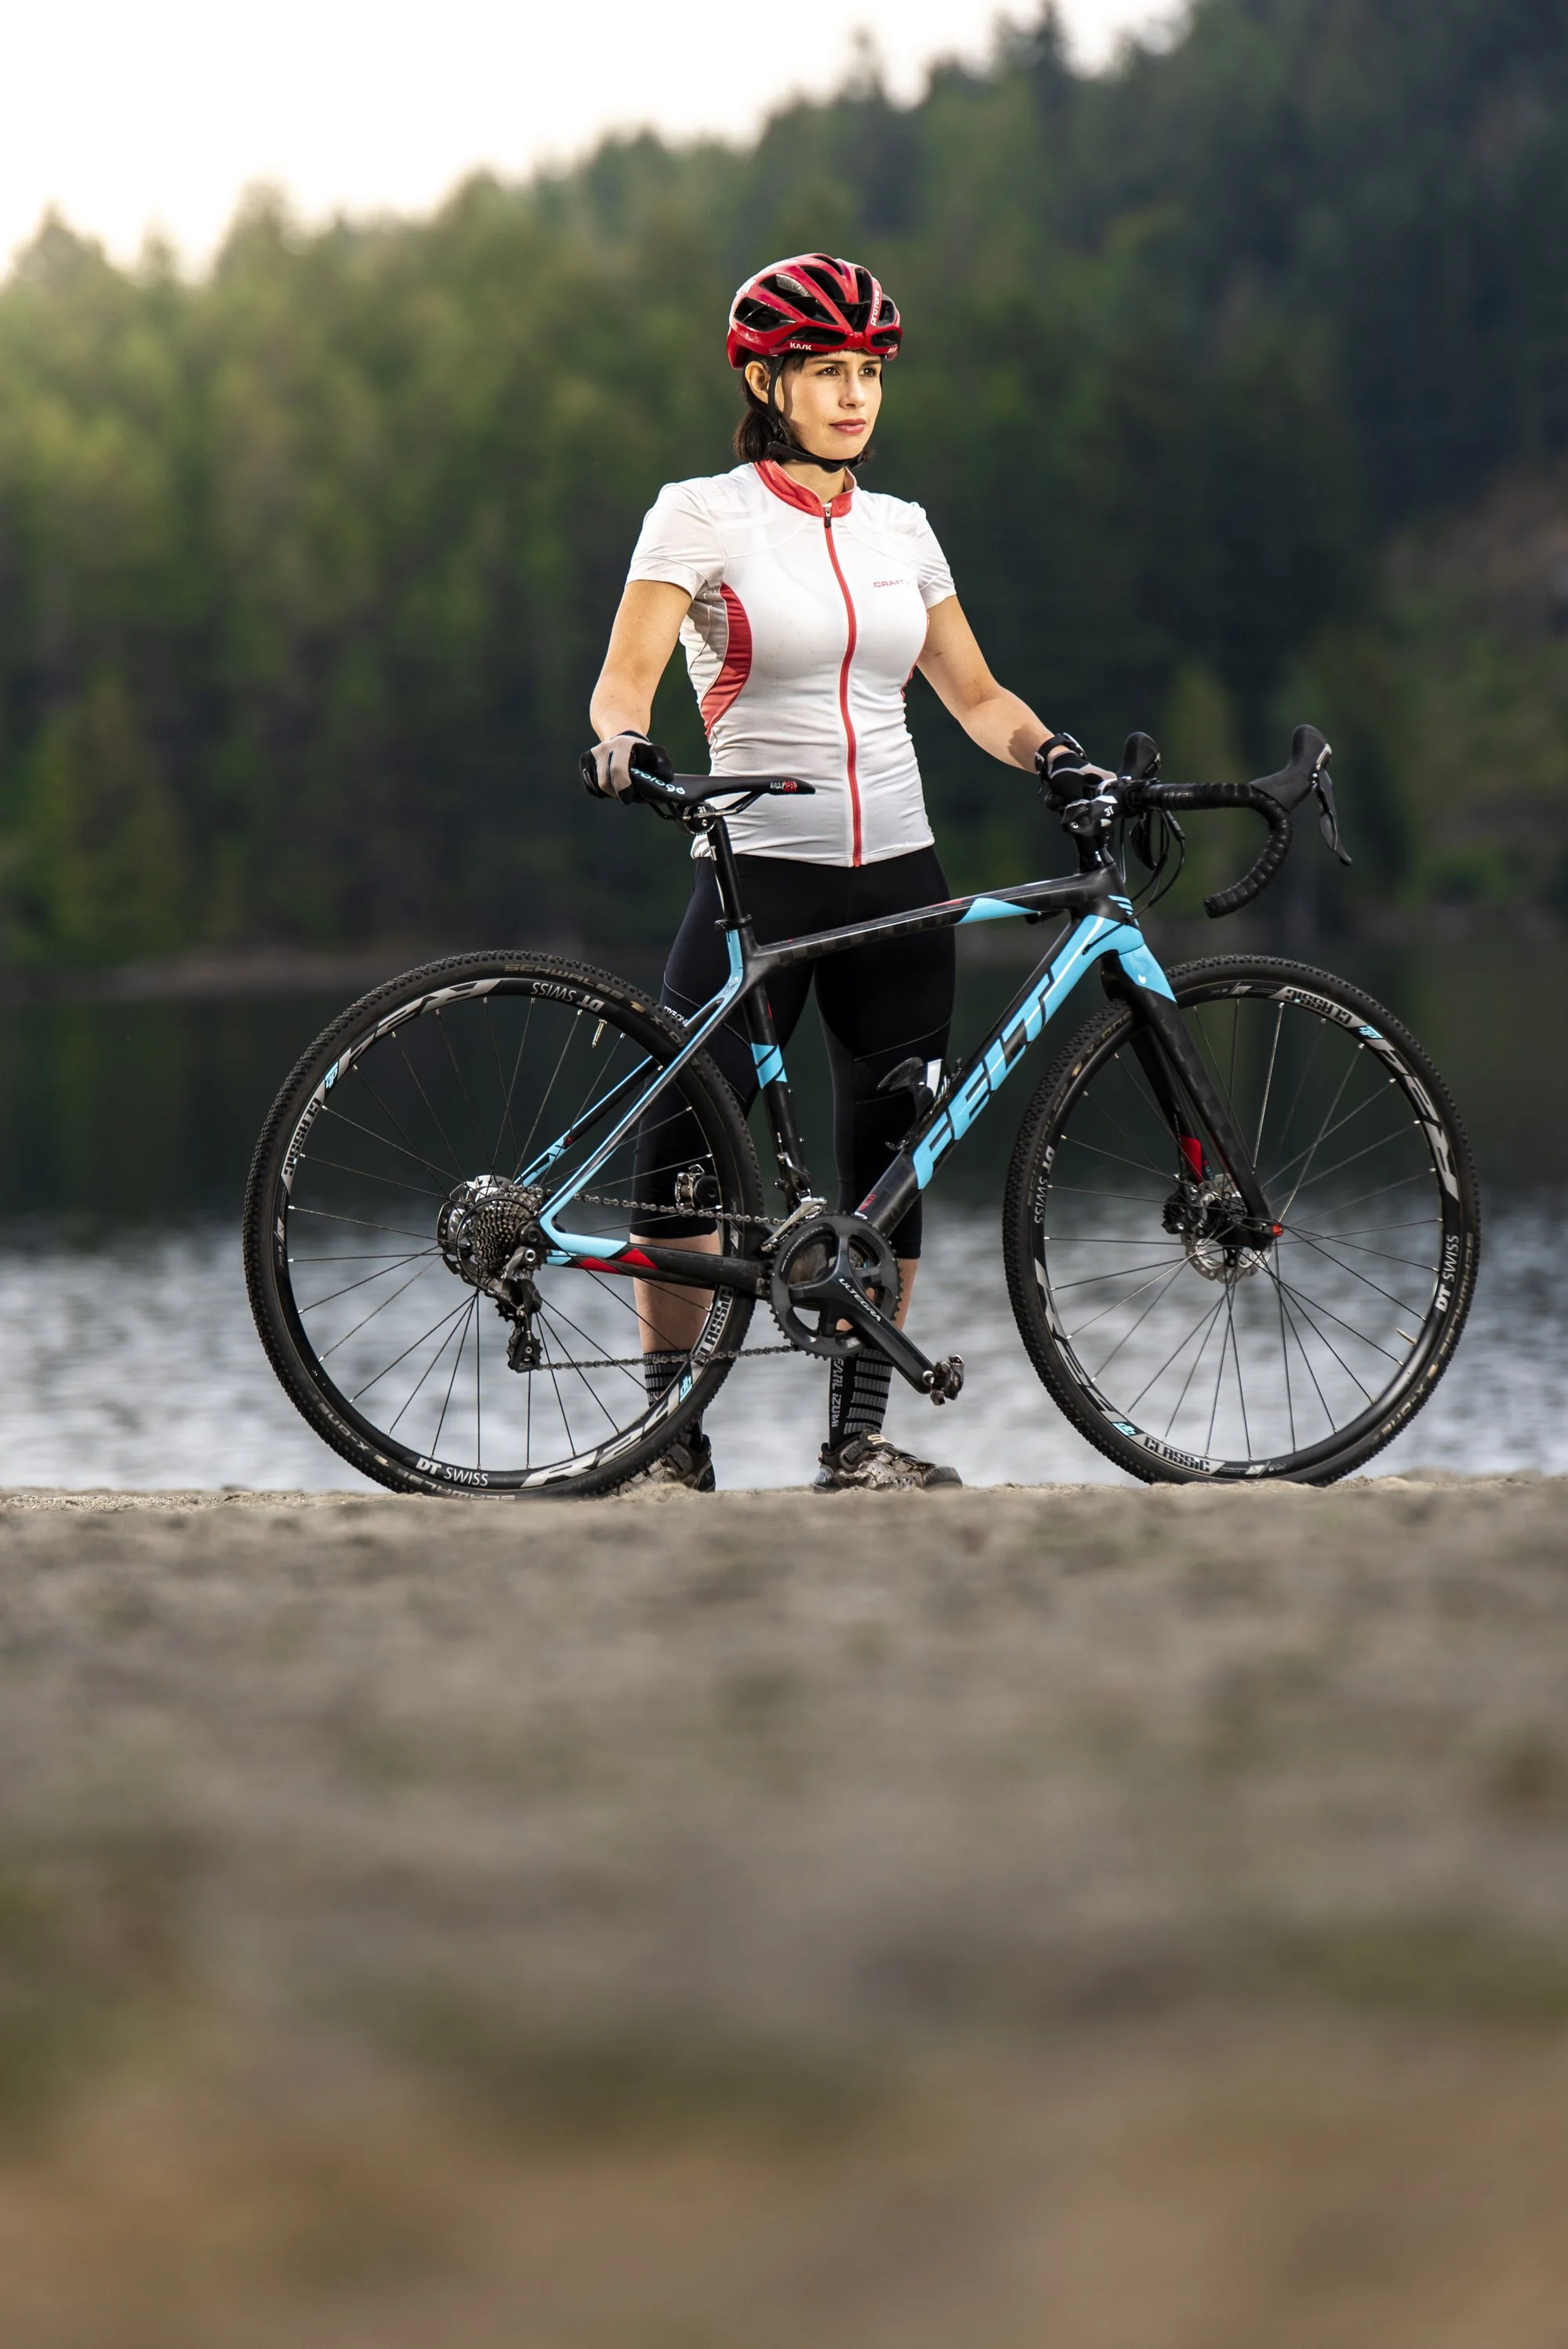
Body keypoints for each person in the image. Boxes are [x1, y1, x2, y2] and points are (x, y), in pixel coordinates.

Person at [584, 252, 1107, 1491]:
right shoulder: (701, 515)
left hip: (901, 881)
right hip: (762, 872)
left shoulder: (901, 531)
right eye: (826, 372)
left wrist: (1056, 756)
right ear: (767, 383)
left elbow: (974, 694)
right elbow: (626, 677)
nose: (854, 396)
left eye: (868, 373)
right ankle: (669, 1443)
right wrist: (621, 742)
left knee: (892, 1154)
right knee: (683, 1146)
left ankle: (856, 1441)